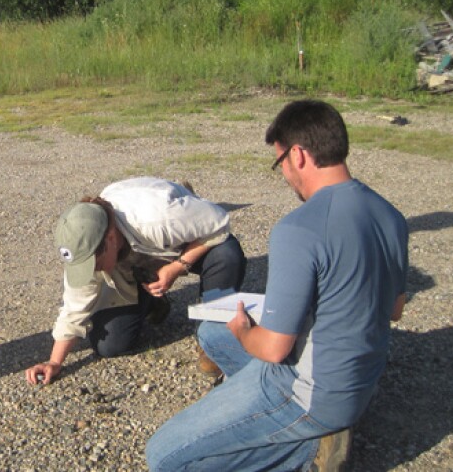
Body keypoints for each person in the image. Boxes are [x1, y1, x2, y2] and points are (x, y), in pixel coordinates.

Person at [146, 100, 409, 471]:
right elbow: (394, 309)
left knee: (164, 457)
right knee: (211, 333)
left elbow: (271, 349)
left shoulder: (298, 228)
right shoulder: (390, 215)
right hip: (360, 382)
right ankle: (310, 430)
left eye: (280, 163)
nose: (284, 174)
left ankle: (304, 452)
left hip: (308, 392)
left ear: (298, 155)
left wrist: (243, 330)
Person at [25, 176, 246, 386]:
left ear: (110, 238)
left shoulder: (160, 218)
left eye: (95, 265)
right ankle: (151, 299)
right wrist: (54, 362)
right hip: (135, 256)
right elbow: (74, 308)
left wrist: (178, 266)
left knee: (226, 256)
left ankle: (213, 332)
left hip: (178, 234)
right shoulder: (85, 245)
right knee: (110, 345)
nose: (92, 271)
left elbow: (219, 223)